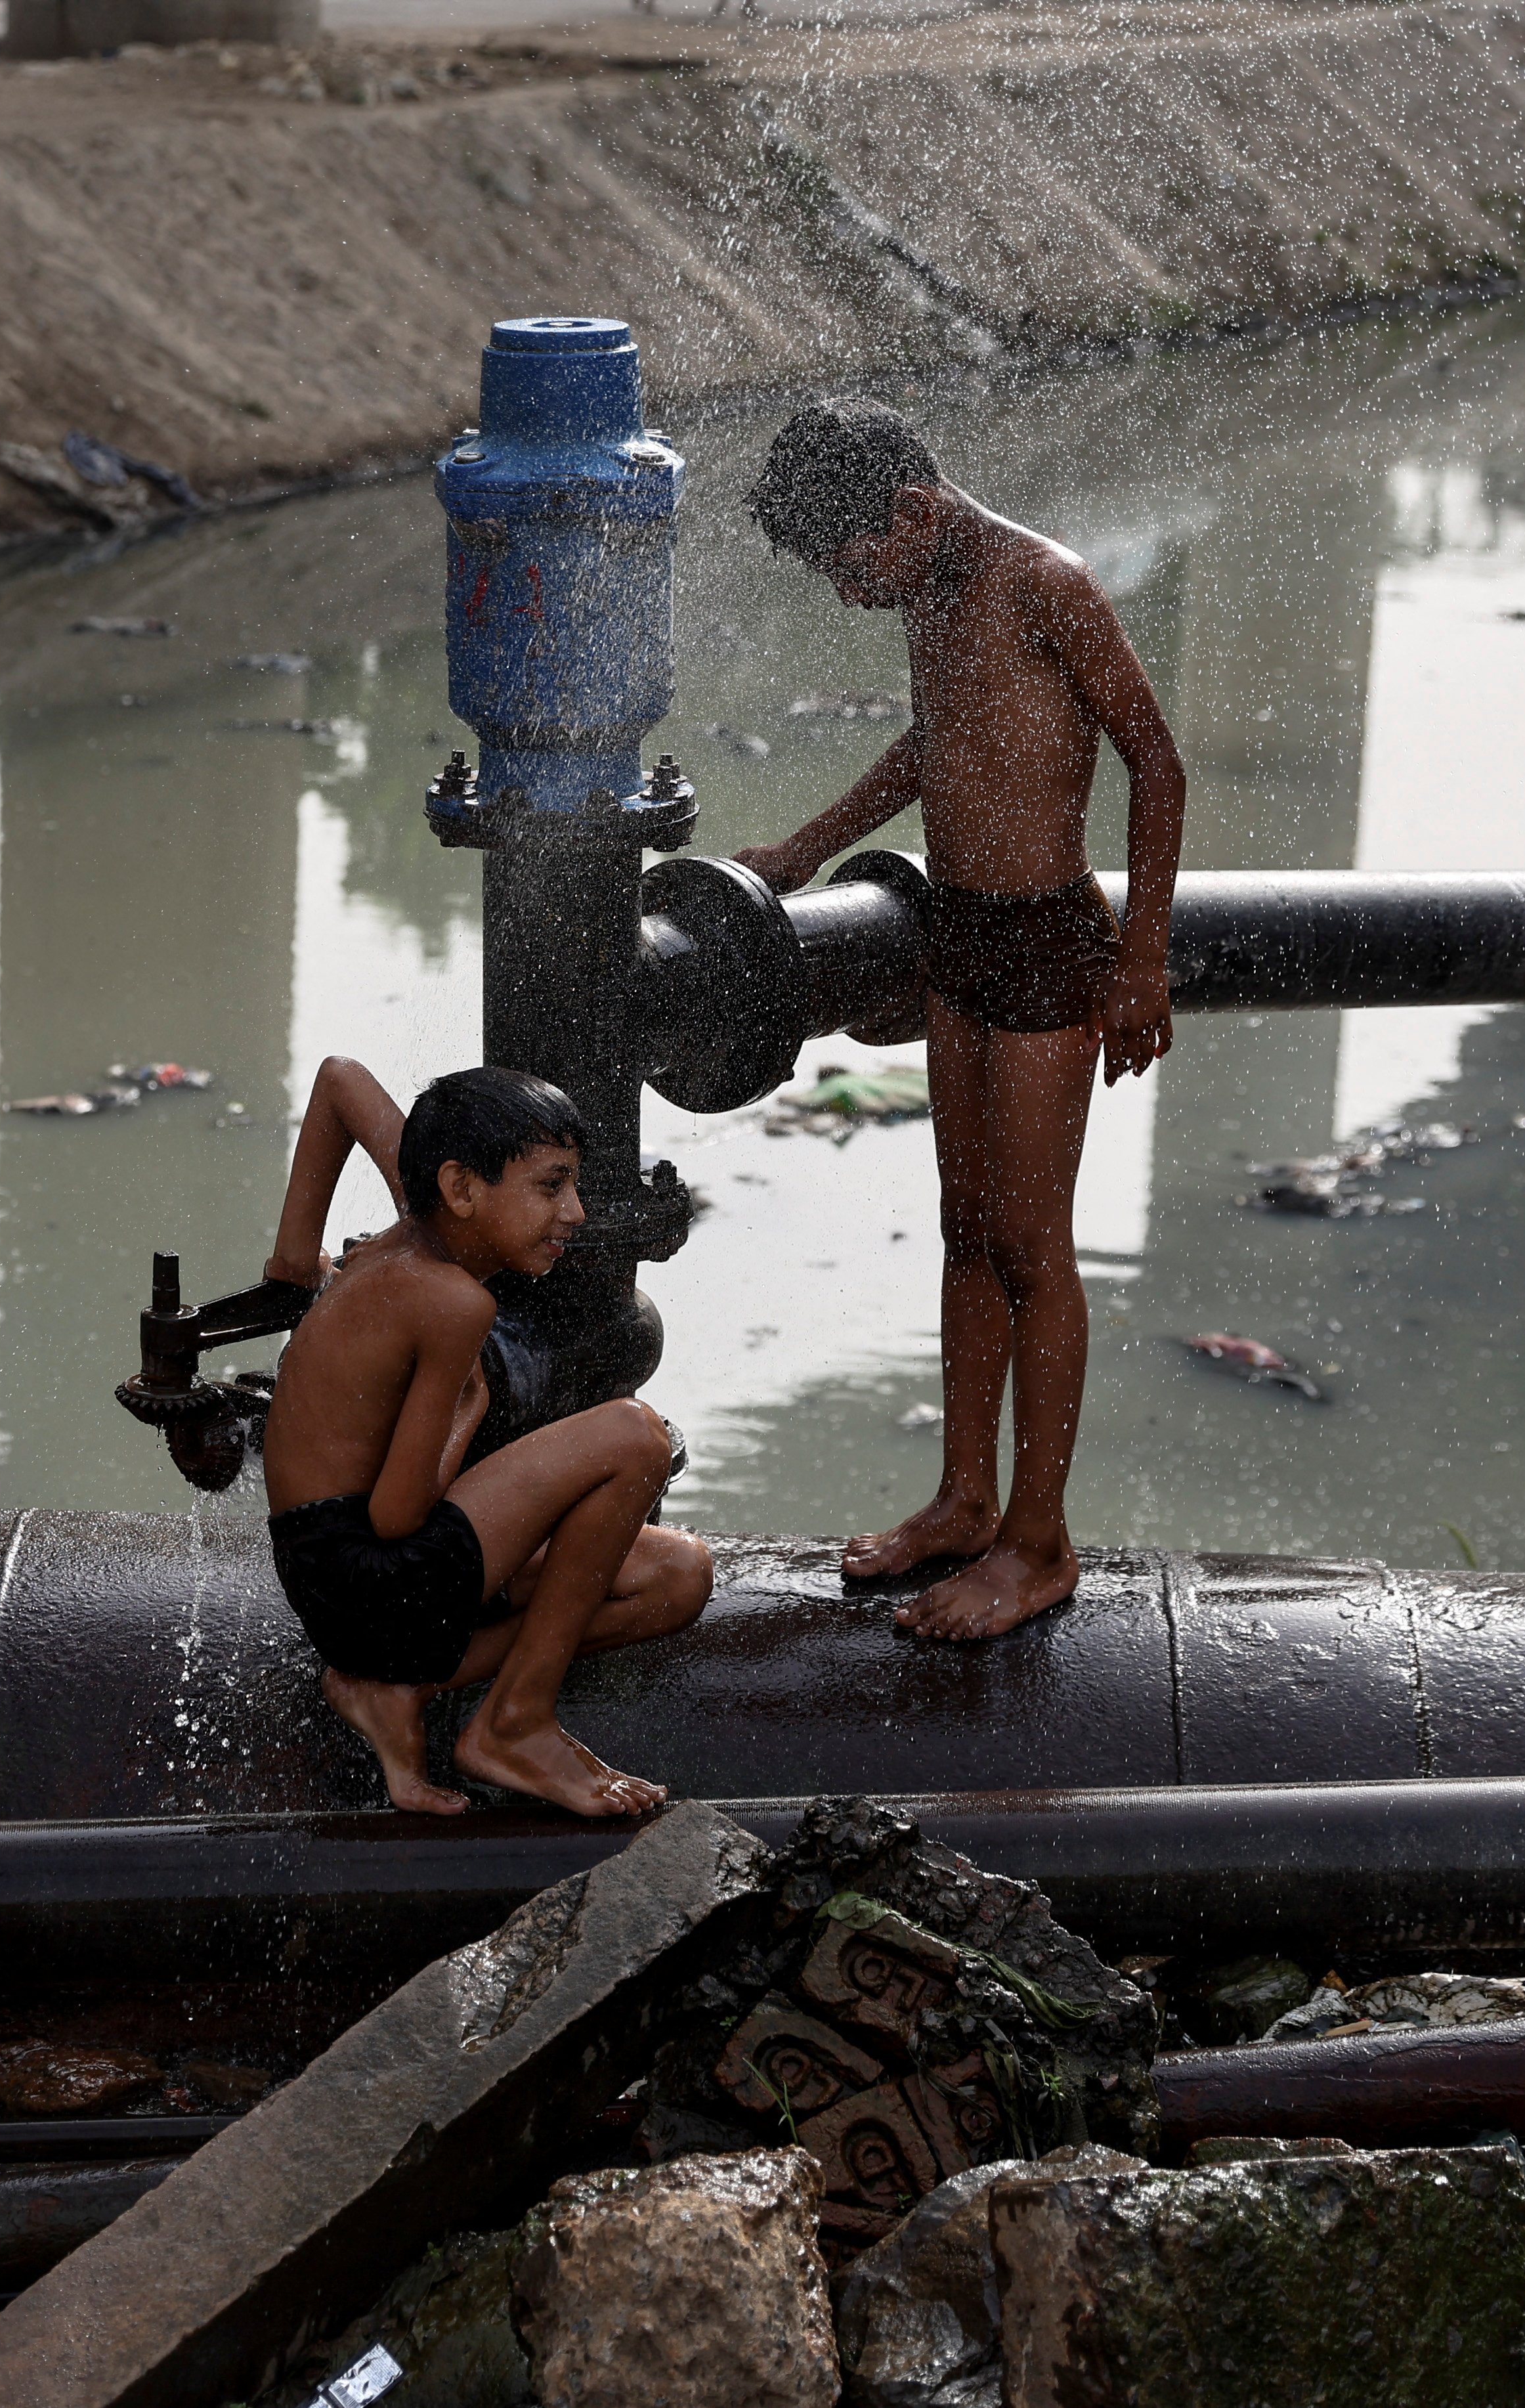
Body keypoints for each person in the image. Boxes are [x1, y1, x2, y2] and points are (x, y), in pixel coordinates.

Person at [731, 398, 1188, 1645]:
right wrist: (803, 852)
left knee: (1036, 1251)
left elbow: (1156, 760)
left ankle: (1040, 1544)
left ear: (913, 513)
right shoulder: (930, 584)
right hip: (960, 938)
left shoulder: (1046, 582)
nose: (846, 594)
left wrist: (1141, 961)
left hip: (1048, 943)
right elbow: (932, 747)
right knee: (965, 1230)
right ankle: (965, 1497)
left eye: (849, 566)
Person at [258, 1057, 710, 1818]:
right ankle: (514, 1723)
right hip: (369, 1579)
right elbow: (399, 1517)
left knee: (679, 1577)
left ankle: (400, 1686)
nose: (576, 1212)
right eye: (549, 1186)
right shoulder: (450, 1301)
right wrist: (469, 1399)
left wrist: (295, 1267)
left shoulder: (428, 1207)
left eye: (572, 1184)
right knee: (637, 1437)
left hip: (329, 1578)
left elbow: (338, 1081)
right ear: (462, 1189)